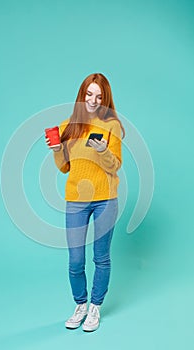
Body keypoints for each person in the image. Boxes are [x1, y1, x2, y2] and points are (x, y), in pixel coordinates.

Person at [45, 73, 125, 332]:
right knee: (75, 259)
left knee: (101, 258)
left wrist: (102, 151)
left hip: (105, 199)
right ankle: (80, 304)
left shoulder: (111, 125)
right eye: (89, 94)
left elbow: (115, 167)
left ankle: (95, 307)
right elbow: (65, 167)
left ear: (105, 99)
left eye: (99, 96)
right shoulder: (69, 124)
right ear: (82, 95)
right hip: (76, 200)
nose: (93, 100)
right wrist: (58, 150)